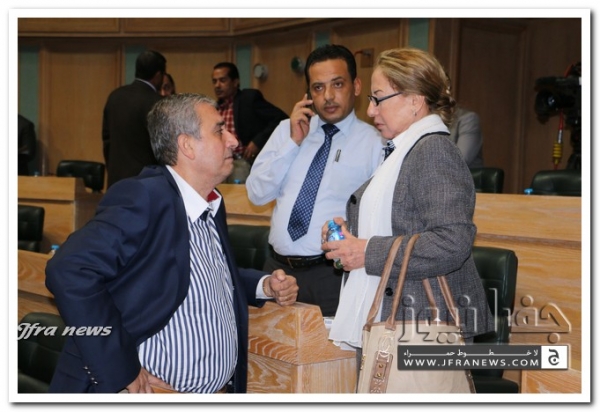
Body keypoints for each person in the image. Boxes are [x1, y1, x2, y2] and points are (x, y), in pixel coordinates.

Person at [46, 93, 299, 393]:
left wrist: (263, 285)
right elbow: (69, 270)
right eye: (219, 130)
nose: (233, 140)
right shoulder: (145, 197)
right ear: (187, 145)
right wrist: (121, 369)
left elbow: (203, 276)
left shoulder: (209, 203)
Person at [321, 48, 493, 356]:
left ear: (415, 100)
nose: (370, 110)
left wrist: (366, 251)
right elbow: (401, 221)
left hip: (423, 320)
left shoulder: (433, 150)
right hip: (400, 315)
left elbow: (452, 241)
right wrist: (349, 235)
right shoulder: (403, 150)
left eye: (378, 99)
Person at [246, 44, 383, 317]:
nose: (328, 96)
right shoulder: (287, 130)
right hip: (278, 273)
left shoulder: (375, 143)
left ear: (356, 86)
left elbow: (379, 216)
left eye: (337, 84)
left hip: (333, 275)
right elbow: (257, 194)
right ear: (308, 94)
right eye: (318, 88)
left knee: (333, 347)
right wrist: (292, 143)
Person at [102, 50, 166, 188]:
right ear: (158, 75)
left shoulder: (115, 97)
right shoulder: (158, 103)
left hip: (116, 182)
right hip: (147, 185)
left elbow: (107, 142)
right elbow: (164, 149)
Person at [212, 62, 288, 162]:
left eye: (222, 80)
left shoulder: (248, 99)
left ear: (235, 82)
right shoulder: (214, 108)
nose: (217, 85)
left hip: (246, 161)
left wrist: (257, 142)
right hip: (223, 162)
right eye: (214, 81)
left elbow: (280, 119)